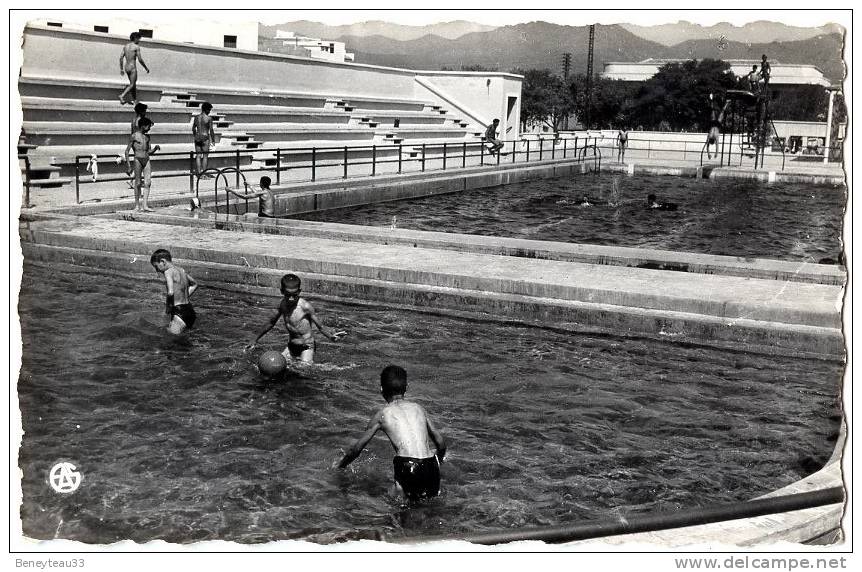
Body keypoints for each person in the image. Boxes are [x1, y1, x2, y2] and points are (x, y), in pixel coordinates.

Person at [332, 365, 447, 502]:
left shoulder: (382, 414)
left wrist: (341, 465)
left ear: (381, 389)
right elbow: (440, 443)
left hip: (408, 466)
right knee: (428, 506)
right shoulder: (418, 409)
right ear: (407, 387)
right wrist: (438, 461)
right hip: (431, 465)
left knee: (393, 506)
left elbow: (356, 449)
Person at [246, 274, 346, 364]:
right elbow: (271, 323)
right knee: (275, 365)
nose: (291, 298)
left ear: (299, 291)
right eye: (288, 294)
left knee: (304, 369)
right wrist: (254, 339)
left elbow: (321, 327)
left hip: (306, 346)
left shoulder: (305, 307)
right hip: (291, 346)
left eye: (294, 295)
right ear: (282, 291)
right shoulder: (282, 306)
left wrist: (331, 336)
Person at [150, 249, 198, 335]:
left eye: (156, 267)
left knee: (168, 339)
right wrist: (183, 296)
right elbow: (195, 284)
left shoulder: (168, 272)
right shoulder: (181, 270)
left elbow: (170, 292)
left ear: (163, 261)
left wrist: (168, 307)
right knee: (185, 338)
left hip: (179, 312)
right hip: (190, 310)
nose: (157, 270)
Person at [124, 117, 160, 211]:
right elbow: (127, 151)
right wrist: (128, 166)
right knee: (138, 183)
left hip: (146, 159)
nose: (149, 129)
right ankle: (137, 205)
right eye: (148, 126)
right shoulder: (134, 136)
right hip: (138, 159)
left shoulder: (147, 137)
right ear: (143, 126)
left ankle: (145, 205)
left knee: (148, 182)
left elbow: (149, 151)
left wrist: (155, 149)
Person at [119, 32, 150, 105]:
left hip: (126, 67)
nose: (139, 40)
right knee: (132, 84)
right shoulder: (136, 47)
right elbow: (140, 59)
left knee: (133, 84)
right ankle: (122, 96)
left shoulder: (125, 46)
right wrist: (146, 68)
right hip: (132, 67)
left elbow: (121, 58)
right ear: (135, 38)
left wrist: (121, 69)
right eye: (139, 39)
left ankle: (135, 100)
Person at [193, 102, 216, 177]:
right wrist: (213, 140)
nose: (210, 111)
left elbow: (193, 128)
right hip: (205, 137)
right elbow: (211, 130)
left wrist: (195, 136)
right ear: (206, 109)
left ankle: (199, 174)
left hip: (197, 137)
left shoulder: (196, 117)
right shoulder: (209, 118)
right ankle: (204, 174)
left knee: (198, 155)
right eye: (209, 110)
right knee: (205, 156)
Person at [705, 93, 730, 160]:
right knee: (721, 112)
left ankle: (712, 100)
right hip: (716, 125)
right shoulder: (714, 137)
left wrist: (709, 154)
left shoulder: (710, 137)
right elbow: (716, 146)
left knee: (714, 110)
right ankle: (726, 102)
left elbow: (709, 146)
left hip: (714, 124)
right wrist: (715, 153)